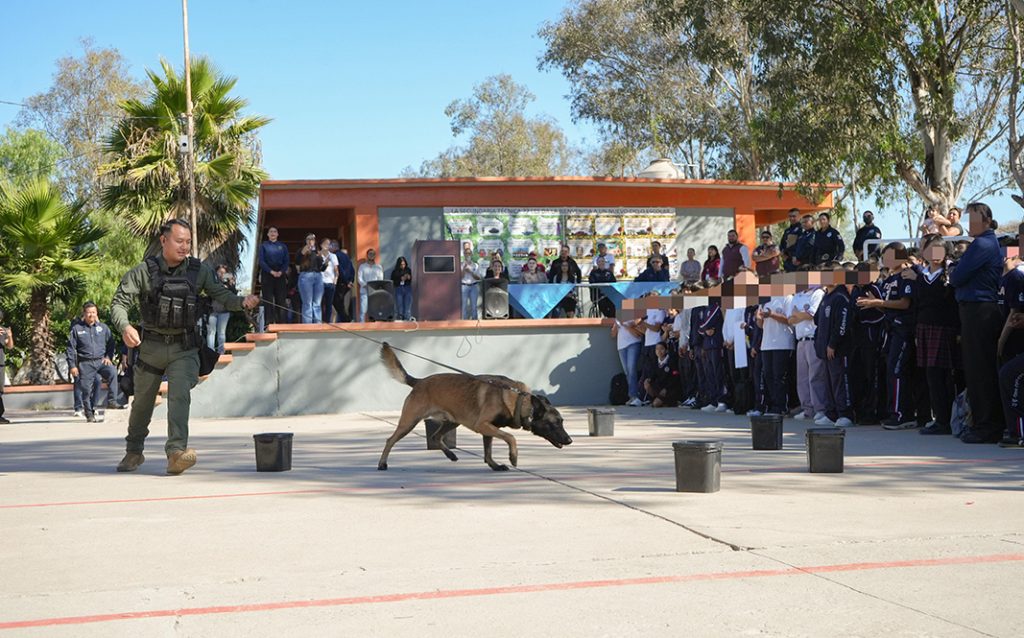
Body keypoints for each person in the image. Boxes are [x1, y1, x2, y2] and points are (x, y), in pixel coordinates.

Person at [110, 219, 259, 474]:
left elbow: (221, 295)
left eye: (188, 242)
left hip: (184, 347)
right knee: (142, 404)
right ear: (164, 240)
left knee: (180, 395)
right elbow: (119, 302)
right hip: (151, 348)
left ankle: (176, 453)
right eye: (179, 241)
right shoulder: (144, 271)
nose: (185, 247)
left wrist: (242, 301)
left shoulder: (199, 271)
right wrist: (125, 327)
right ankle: (133, 451)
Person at [949, 202, 1006, 444]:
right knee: (976, 369)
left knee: (980, 370)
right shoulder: (983, 243)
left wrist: (954, 271)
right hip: (976, 310)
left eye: (974, 219)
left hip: (980, 310)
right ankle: (984, 422)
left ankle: (987, 425)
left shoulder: (982, 244)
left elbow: (957, 276)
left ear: (987, 221)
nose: (970, 225)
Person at [913, 235, 960, 436]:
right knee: (931, 375)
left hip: (945, 328)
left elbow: (955, 305)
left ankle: (946, 419)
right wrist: (917, 331)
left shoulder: (950, 275)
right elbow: (917, 304)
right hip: (924, 327)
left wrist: (958, 330)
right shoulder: (922, 276)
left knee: (945, 376)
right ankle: (939, 418)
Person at [67, 301, 120, 423]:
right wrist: (72, 366)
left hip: (101, 361)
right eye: (89, 313)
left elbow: (111, 343)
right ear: (84, 314)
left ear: (97, 313)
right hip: (85, 363)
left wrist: (108, 357)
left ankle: (112, 401)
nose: (91, 315)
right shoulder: (77, 329)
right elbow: (70, 349)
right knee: (86, 390)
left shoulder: (103, 328)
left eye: (94, 312)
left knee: (112, 372)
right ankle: (89, 414)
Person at [814, 267, 854, 427]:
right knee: (828, 382)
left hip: (838, 349)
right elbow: (817, 319)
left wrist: (833, 343)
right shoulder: (826, 297)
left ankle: (845, 414)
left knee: (840, 380)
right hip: (824, 349)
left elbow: (842, 323)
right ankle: (832, 413)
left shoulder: (841, 297)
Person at [789, 273, 828, 422]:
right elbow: (790, 318)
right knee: (802, 377)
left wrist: (798, 314)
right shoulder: (797, 295)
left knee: (816, 376)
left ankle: (820, 408)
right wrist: (800, 315)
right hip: (800, 339)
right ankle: (807, 408)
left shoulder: (817, 293)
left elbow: (812, 314)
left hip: (812, 338)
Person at [756, 289, 796, 416]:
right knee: (768, 375)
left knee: (780, 376)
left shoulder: (787, 297)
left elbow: (791, 320)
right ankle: (772, 405)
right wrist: (759, 319)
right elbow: (760, 324)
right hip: (767, 343)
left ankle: (781, 407)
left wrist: (772, 314)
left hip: (783, 343)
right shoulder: (764, 299)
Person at [258, 226, 290, 325]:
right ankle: (269, 323)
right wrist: (271, 271)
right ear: (268, 234)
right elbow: (261, 261)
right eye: (271, 231)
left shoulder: (283, 246)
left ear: (277, 234)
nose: (273, 233)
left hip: (280, 274)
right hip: (267, 274)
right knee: (268, 300)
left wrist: (281, 272)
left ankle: (282, 323)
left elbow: (286, 261)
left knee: (281, 300)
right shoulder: (263, 246)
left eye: (275, 231)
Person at [612, 315, 644, 406]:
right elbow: (613, 335)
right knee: (627, 371)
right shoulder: (618, 317)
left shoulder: (635, 316)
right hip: (621, 346)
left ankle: (635, 396)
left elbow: (639, 334)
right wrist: (616, 326)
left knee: (631, 369)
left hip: (633, 344)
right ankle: (632, 396)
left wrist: (626, 325)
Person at [296, 234, 326, 324]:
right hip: (306, 276)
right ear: (305, 241)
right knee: (307, 303)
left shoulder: (317, 252)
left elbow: (321, 267)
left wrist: (325, 262)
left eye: (312, 239)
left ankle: (318, 324)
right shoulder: (301, 250)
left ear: (315, 241)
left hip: (318, 276)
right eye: (308, 239)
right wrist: (303, 252)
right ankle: (308, 325)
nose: (310, 241)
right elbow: (297, 262)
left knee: (317, 303)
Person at [207, 265, 235, 353]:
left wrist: (231, 283)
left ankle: (221, 353)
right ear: (216, 272)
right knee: (211, 332)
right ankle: (210, 353)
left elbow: (233, 295)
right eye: (220, 272)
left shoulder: (228, 285)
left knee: (222, 333)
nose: (221, 274)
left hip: (224, 312)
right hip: (212, 311)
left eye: (224, 273)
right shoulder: (212, 282)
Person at [644, 342, 681, 407]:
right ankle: (656, 399)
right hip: (659, 387)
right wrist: (649, 379)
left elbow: (675, 378)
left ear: (666, 350)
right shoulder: (655, 361)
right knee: (647, 384)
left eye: (661, 349)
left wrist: (666, 388)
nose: (659, 351)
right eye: (657, 349)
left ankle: (671, 402)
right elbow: (653, 375)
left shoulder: (671, 361)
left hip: (670, 388)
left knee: (656, 404)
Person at [357, 248, 384, 322]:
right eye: (370, 254)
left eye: (373, 254)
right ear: (367, 255)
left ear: (375, 256)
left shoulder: (378, 267)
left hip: (374, 291)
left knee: (374, 309)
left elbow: (380, 279)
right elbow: (359, 278)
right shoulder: (362, 266)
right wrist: (365, 285)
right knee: (363, 310)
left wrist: (375, 286)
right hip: (364, 291)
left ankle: (373, 325)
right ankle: (361, 325)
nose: (371, 255)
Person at [331, 240, 355, 323]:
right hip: (346, 283)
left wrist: (346, 281)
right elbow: (352, 269)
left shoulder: (335, 256)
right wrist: (351, 280)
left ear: (334, 247)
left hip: (340, 282)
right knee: (340, 303)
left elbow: (339, 269)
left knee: (337, 302)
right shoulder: (346, 256)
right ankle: (345, 320)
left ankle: (346, 319)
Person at [460, 242, 482, 320]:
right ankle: (464, 322)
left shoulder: (475, 265)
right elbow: (460, 277)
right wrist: (464, 270)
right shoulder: (461, 264)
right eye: (466, 253)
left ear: (471, 254)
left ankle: (475, 321)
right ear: (464, 254)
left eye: (469, 253)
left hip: (474, 286)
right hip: (464, 286)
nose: (468, 255)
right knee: (464, 305)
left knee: (474, 306)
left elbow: (478, 278)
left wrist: (471, 272)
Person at [320, 238, 340, 323]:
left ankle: (327, 322)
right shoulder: (318, 255)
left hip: (330, 283)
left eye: (329, 244)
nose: (327, 245)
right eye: (325, 243)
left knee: (329, 304)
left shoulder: (333, 256)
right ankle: (319, 322)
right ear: (321, 245)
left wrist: (335, 281)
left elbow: (336, 270)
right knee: (319, 304)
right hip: (320, 282)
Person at [391, 256, 413, 321]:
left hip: (407, 287)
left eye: (404, 264)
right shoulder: (395, 272)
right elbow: (392, 281)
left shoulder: (408, 270)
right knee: (399, 304)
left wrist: (408, 277)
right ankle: (400, 316)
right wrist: (400, 279)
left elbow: (412, 279)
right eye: (401, 264)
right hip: (399, 288)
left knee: (407, 303)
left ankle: (407, 316)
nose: (403, 266)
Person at [0, 311, 12, 424]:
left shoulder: (3, 331)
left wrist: (9, 336)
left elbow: (10, 346)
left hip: (0, 364)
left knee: (0, 389)